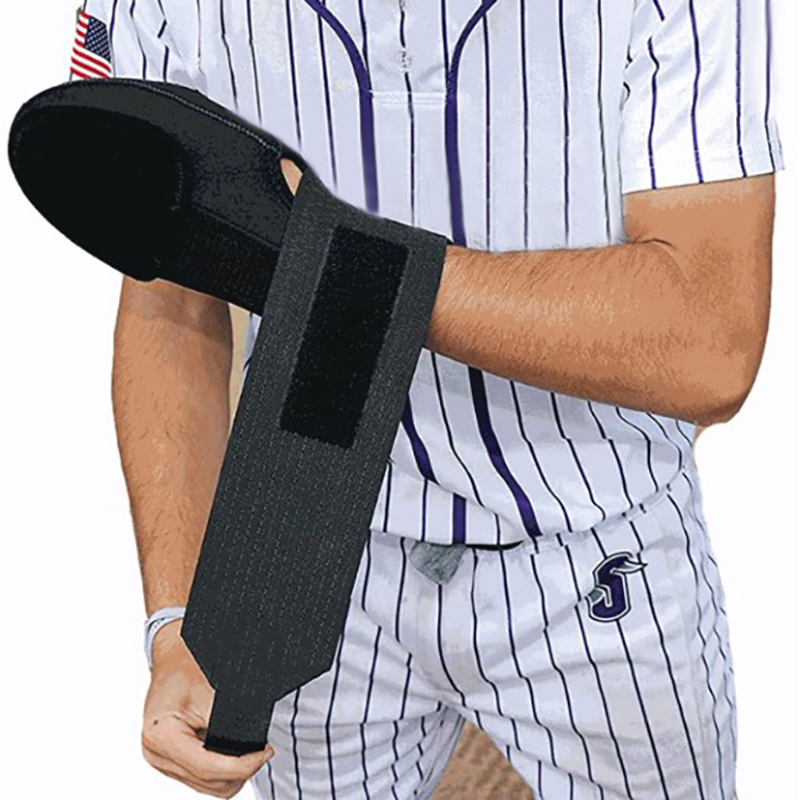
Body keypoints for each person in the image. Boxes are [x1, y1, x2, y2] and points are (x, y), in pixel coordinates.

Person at [70, 0, 781, 797]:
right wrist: (177, 621)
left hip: (593, 544)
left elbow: (710, 344)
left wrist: (335, 256)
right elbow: (169, 298)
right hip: (297, 542)